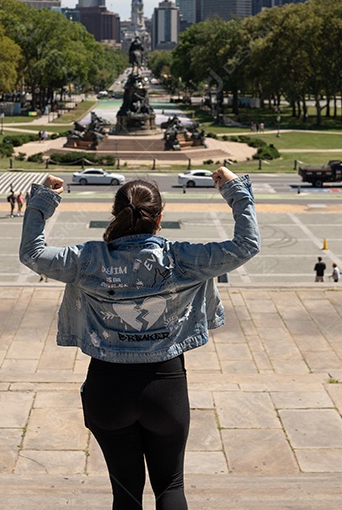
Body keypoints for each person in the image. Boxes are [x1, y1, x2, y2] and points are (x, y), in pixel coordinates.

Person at [19, 167, 258, 509]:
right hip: (166, 386)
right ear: (159, 219)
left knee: (126, 494)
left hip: (107, 386)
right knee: (171, 486)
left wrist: (43, 200)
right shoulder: (182, 259)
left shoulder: (88, 260)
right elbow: (246, 245)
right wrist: (235, 192)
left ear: (115, 215)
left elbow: (32, 253)